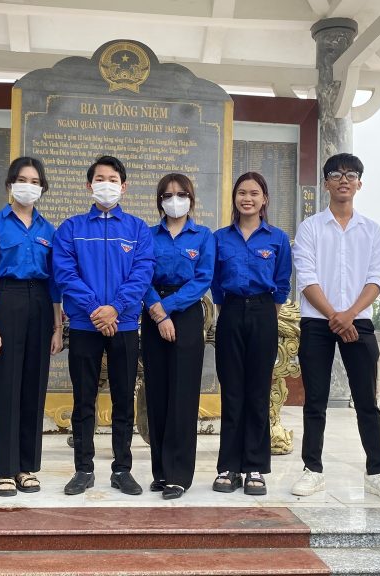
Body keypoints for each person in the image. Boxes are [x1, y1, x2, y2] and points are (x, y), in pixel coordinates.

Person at [290, 153, 380, 501]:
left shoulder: (372, 231)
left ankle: (377, 472)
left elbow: (376, 279)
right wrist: (334, 316)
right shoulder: (310, 228)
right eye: (336, 175)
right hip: (316, 321)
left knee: (367, 400)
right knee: (315, 401)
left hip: (359, 322)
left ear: (359, 184)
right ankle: (312, 470)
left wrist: (349, 314)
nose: (343, 180)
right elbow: (306, 278)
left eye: (350, 175)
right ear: (325, 183)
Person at [52, 155, 154, 496]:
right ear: (89, 185)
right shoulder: (71, 228)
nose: (106, 185)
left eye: (113, 179)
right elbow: (65, 273)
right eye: (100, 179)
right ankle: (83, 469)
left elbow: (142, 273)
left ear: (124, 187)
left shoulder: (137, 229)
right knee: (84, 400)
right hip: (85, 325)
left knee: (124, 400)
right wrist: (97, 309)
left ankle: (122, 469)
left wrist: (115, 309)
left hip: (123, 326)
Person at [0, 156, 64, 497]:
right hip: (6, 300)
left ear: (42, 188)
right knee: (5, 387)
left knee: (33, 387)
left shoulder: (49, 230)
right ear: (10, 184)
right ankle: (4, 470)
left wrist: (57, 326)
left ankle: (26, 467)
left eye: (35, 181)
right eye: (22, 180)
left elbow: (55, 283)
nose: (29, 186)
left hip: (40, 304)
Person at [210, 172, 291, 496]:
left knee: (257, 393)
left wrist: (266, 314)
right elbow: (215, 282)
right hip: (230, 312)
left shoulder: (277, 238)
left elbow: (282, 282)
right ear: (235, 198)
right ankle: (229, 467)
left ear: (264, 199)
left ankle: (255, 467)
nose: (248, 198)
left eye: (254, 193)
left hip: (263, 313)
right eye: (242, 192)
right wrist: (227, 311)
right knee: (232, 392)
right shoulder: (220, 238)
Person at [142, 173, 215, 500]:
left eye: (181, 194)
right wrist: (157, 311)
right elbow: (141, 275)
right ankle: (160, 471)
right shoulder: (148, 235)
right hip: (152, 311)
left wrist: (168, 309)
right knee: (157, 393)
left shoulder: (203, 236)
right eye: (168, 195)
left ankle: (179, 475)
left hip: (186, 313)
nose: (175, 200)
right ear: (160, 200)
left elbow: (203, 279)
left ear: (191, 198)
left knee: (183, 396)